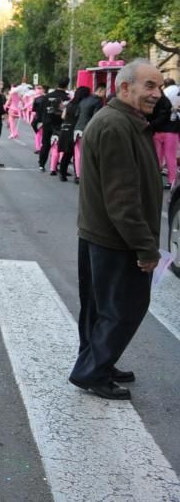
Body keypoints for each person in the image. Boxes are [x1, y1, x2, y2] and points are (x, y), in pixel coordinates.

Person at [70, 60, 164, 401]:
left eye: (160, 86)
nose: (157, 93)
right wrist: (145, 247)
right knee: (123, 308)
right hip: (115, 239)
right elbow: (122, 197)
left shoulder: (125, 121)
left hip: (104, 235)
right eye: (149, 86)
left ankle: (98, 362)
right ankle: (92, 371)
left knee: (100, 308)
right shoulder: (116, 125)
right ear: (124, 88)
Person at [149, 77, 180, 189]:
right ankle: (164, 180)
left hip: (168, 130)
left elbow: (164, 114)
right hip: (161, 130)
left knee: (167, 156)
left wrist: (149, 124)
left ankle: (171, 181)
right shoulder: (160, 98)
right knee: (160, 156)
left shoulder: (162, 99)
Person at [57, 86, 91, 182]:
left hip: (65, 128)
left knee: (67, 154)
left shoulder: (70, 103)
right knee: (77, 153)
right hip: (75, 129)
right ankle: (78, 175)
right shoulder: (82, 105)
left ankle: (62, 174)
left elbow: (63, 116)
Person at [39, 77, 70, 173]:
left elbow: (41, 110)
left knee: (46, 144)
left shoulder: (47, 96)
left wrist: (41, 121)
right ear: (67, 85)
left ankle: (41, 164)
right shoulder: (66, 97)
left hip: (47, 123)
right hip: (60, 124)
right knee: (59, 145)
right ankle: (56, 165)